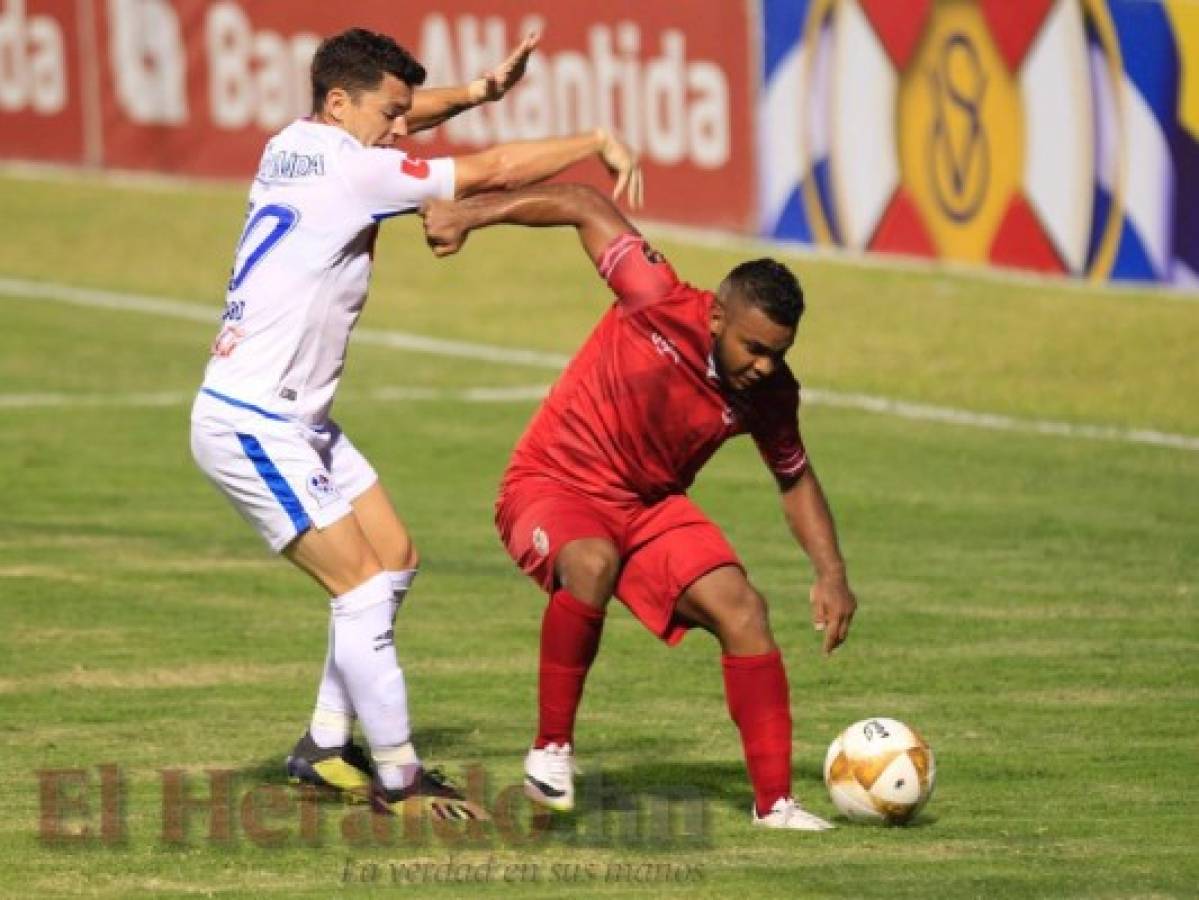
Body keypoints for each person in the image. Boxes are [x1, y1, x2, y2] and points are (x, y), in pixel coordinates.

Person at [189, 27, 643, 821]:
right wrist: (594, 141)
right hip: (253, 423)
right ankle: (400, 778)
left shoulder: (294, 141)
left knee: (393, 557)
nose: (404, 128)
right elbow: (491, 170)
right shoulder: (357, 171)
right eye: (392, 115)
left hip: (298, 417)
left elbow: (392, 110)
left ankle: (327, 742)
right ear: (341, 103)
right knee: (361, 591)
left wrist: (474, 93)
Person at [420, 183, 858, 830]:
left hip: (648, 507)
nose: (764, 366)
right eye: (754, 348)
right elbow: (583, 203)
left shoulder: (770, 394)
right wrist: (467, 214)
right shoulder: (652, 294)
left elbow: (793, 477)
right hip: (552, 484)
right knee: (591, 563)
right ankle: (551, 750)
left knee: (743, 610)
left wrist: (830, 573)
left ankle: (775, 805)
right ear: (715, 317)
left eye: (778, 353)